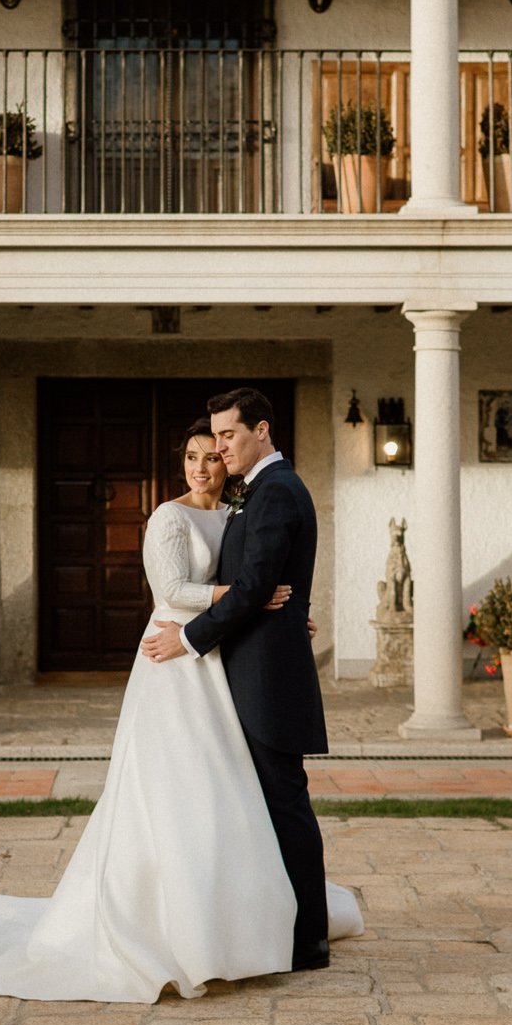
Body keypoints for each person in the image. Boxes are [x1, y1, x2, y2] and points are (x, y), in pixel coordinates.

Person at [0, 408, 361, 1001]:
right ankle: (174, 924)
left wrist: (281, 615)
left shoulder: (240, 510)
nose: (204, 466)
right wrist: (241, 597)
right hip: (175, 661)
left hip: (218, 664)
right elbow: (174, 590)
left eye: (214, 453)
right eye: (193, 456)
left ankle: (240, 917)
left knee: (230, 793)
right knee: (175, 792)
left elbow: (266, 571)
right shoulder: (167, 516)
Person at [139, 386, 336, 971]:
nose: (219, 450)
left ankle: (308, 940)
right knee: (252, 803)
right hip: (240, 668)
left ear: (263, 431)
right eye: (213, 438)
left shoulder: (275, 492)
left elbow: (254, 589)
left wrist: (190, 637)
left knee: (284, 802)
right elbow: (253, 587)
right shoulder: (258, 492)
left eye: (228, 436)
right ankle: (266, 923)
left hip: (264, 676)